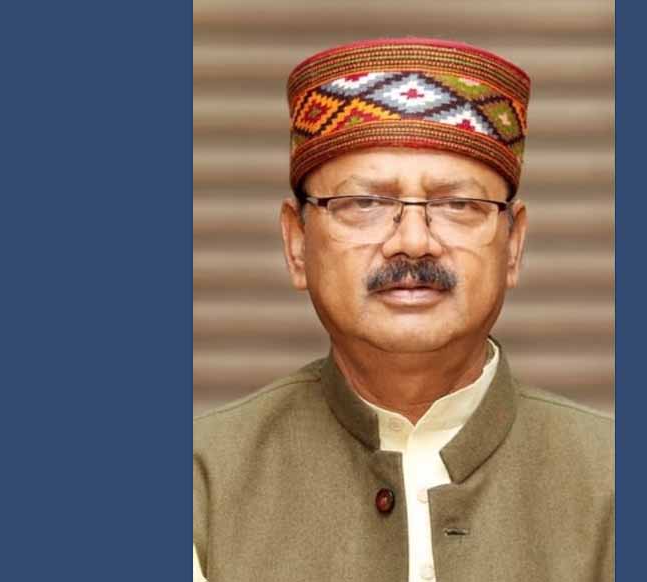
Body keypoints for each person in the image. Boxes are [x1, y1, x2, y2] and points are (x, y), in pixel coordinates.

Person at [193, 37, 613, 582]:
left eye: (457, 204)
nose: (413, 242)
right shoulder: (203, 485)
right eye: (365, 203)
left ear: (513, 246)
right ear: (297, 244)